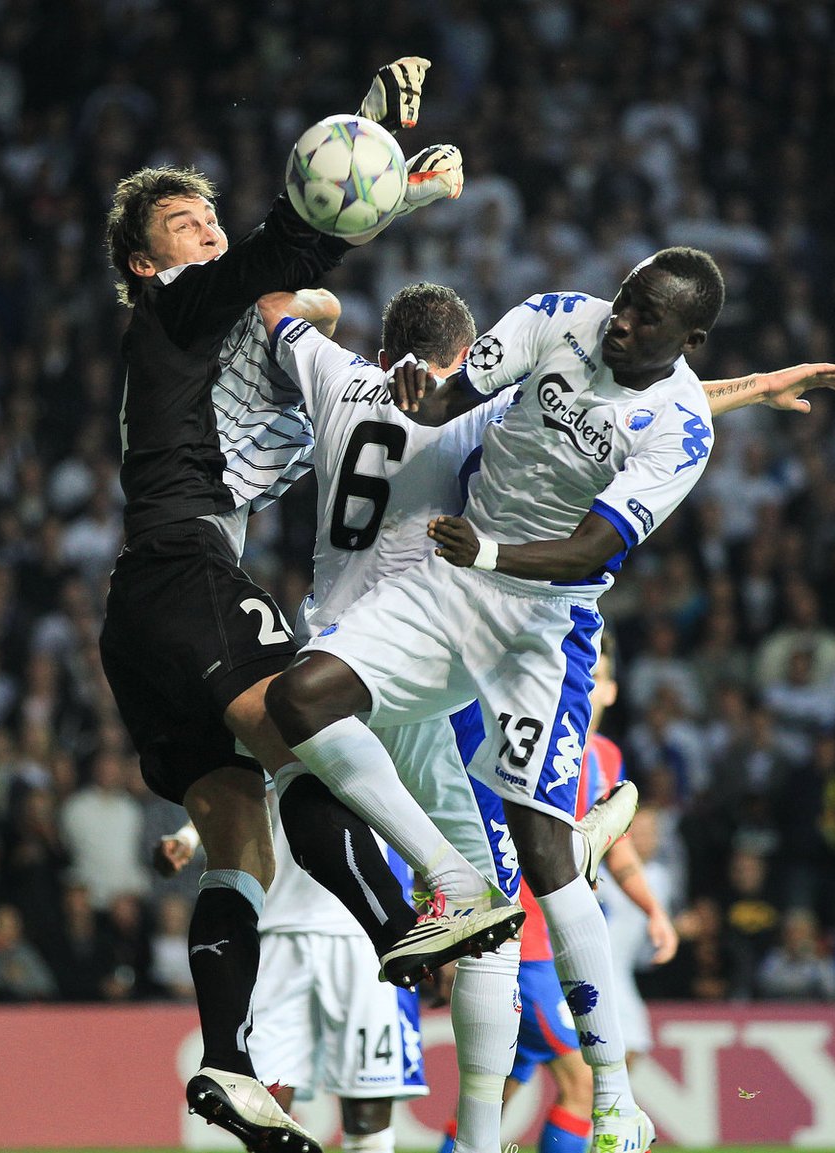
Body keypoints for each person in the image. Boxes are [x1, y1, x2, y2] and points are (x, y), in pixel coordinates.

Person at [261, 246, 835, 1150]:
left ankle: (616, 1093)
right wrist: (430, 394)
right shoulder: (558, 316)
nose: (620, 320)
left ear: (688, 338)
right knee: (300, 700)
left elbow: (590, 551)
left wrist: (491, 553)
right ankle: (452, 890)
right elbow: (469, 394)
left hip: (543, 620)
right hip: (446, 583)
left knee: (544, 858)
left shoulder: (682, 429)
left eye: (646, 317)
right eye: (623, 301)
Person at [97, 57, 498, 1153]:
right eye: (185, 223)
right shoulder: (175, 309)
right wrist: (371, 137)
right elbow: (284, 257)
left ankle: (229, 1064)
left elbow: (289, 278)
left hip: (143, 603)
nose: (207, 233)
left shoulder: (217, 337)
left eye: (207, 217)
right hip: (187, 570)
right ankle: (417, 907)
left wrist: (392, 185)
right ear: (147, 260)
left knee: (238, 830)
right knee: (319, 727)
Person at [440, 630, 678, 1153]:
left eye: (596, 680)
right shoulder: (524, 741)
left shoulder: (607, 757)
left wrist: (653, 910)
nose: (584, 688)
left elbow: (614, 849)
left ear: (612, 692)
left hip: (554, 943)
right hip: (529, 945)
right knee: (584, 1083)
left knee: (493, 1093)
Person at [156, 792, 428, 1153]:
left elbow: (419, 800)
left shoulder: (384, 736)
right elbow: (242, 785)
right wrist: (191, 835)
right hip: (278, 930)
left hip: (365, 933)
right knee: (266, 1107)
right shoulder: (275, 732)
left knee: (368, 1109)